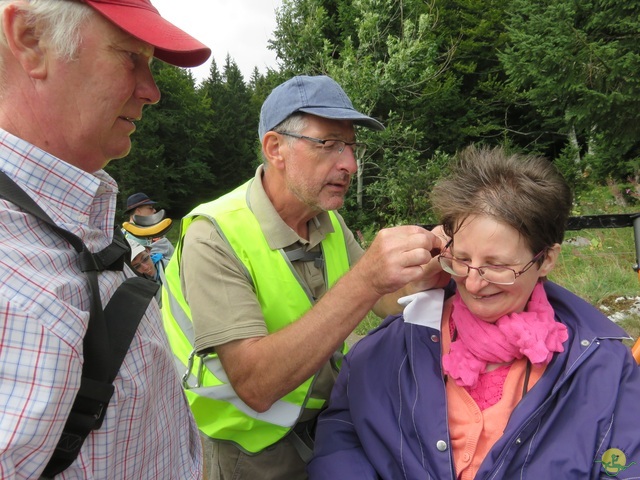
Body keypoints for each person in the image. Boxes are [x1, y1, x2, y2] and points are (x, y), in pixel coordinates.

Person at [162, 74, 448, 480]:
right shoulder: (214, 235)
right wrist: (366, 278)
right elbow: (256, 385)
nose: (349, 163)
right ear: (275, 148)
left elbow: (383, 298)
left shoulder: (324, 218)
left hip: (330, 428)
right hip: (255, 451)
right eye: (329, 144)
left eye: (351, 146)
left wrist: (428, 270)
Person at [308, 145, 640, 479]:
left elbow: (625, 464)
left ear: (546, 260)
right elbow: (340, 444)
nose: (473, 283)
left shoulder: (604, 369)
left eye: (497, 266)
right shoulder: (386, 351)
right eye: (462, 259)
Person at [0, 0, 210, 478]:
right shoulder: (11, 289)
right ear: (31, 38)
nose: (152, 91)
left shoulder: (69, 228)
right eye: (129, 56)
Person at [123, 191, 175, 258]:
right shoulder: (136, 235)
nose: (154, 210)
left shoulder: (122, 233)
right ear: (138, 211)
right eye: (150, 208)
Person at [127, 236, 167, 306]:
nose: (145, 267)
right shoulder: (134, 290)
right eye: (137, 266)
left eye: (145, 259)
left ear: (148, 251)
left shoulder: (168, 267)